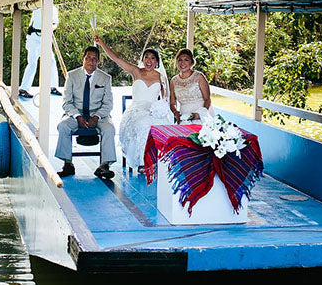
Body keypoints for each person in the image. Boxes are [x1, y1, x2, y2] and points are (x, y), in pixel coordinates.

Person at [94, 35, 172, 173]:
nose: (149, 60)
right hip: (136, 110)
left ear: (157, 62)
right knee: (143, 125)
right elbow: (117, 59)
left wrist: (161, 109)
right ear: (143, 60)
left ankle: (158, 161)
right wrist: (102, 43)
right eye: (146, 57)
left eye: (153, 58)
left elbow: (165, 99)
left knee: (162, 125)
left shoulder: (161, 77)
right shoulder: (136, 71)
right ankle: (143, 162)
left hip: (153, 110)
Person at [56, 46, 116, 179]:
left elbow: (108, 103)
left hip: (98, 114)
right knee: (63, 126)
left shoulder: (105, 78)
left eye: (94, 59)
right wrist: (77, 116)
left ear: (98, 62)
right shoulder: (72, 76)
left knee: (110, 128)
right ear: (83, 58)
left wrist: (96, 117)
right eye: (88, 58)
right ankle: (68, 164)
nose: (91, 61)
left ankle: (104, 166)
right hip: (75, 113)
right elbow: (67, 102)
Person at [19, 7, 60, 99]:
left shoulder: (54, 9)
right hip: (34, 37)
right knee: (32, 63)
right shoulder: (36, 6)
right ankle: (23, 89)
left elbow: (55, 24)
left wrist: (51, 28)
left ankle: (53, 87)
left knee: (52, 62)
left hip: (46, 38)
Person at [169, 48, 212, 124]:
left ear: (192, 62)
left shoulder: (199, 76)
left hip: (202, 116)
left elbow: (207, 99)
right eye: (180, 60)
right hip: (184, 118)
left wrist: (199, 114)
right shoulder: (174, 80)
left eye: (186, 60)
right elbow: (172, 103)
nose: (182, 63)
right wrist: (176, 113)